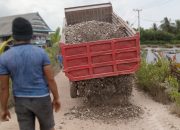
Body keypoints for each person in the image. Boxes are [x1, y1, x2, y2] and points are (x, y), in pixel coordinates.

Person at [0, 17, 61, 130]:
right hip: (42, 99)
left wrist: (3, 109)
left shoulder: (4, 58)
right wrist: (56, 98)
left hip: (21, 101)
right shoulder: (41, 53)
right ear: (31, 34)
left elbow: (4, 88)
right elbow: (50, 79)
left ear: (13, 35)